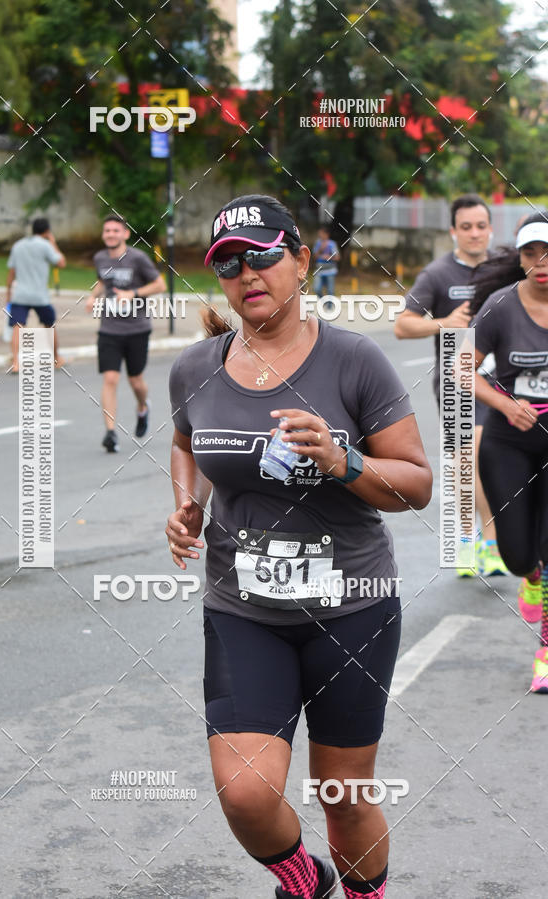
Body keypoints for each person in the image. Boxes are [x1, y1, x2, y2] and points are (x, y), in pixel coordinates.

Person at [167, 194, 433, 898]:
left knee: (343, 798)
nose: (246, 273)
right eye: (228, 263)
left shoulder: (353, 360)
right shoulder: (196, 367)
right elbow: (185, 442)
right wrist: (186, 505)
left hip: (351, 609)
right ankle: (305, 881)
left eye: (261, 255)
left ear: (301, 259)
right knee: (247, 795)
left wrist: (345, 460)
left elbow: (415, 484)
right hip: (243, 608)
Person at [394, 193, 508, 578]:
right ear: (453, 232)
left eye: (480, 226)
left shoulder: (507, 267)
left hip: (501, 379)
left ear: (490, 229)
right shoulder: (438, 274)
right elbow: (403, 325)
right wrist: (445, 322)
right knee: (468, 459)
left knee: (479, 462)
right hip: (456, 380)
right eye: (466, 227)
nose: (474, 234)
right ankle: (478, 543)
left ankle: (481, 542)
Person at [470, 211, 548, 693]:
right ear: (519, 259)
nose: (541, 262)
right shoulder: (500, 306)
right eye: (531, 253)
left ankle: (545, 652)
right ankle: (530, 573)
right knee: (519, 555)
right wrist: (504, 402)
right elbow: (462, 369)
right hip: (508, 440)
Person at [85, 215, 165, 452]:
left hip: (137, 329)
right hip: (109, 329)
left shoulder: (137, 258)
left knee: (135, 381)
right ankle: (110, 432)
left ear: (125, 234)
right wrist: (92, 296)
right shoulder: (100, 258)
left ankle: (143, 407)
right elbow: (103, 281)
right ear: (103, 234)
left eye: (115, 231)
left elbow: (160, 285)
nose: (111, 234)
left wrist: (133, 294)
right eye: (107, 230)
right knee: (110, 378)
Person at [6, 217, 66, 373]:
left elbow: (11, 272)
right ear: (47, 231)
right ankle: (56, 359)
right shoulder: (46, 245)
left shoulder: (18, 245)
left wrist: (8, 293)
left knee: (17, 327)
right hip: (40, 296)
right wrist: (53, 242)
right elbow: (61, 263)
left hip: (20, 294)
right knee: (49, 326)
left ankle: (15, 363)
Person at [312, 225, 340, 298]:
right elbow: (314, 257)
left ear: (326, 234)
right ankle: (323, 300)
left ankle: (330, 307)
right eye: (319, 234)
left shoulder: (332, 244)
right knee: (316, 288)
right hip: (319, 270)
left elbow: (337, 257)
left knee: (330, 291)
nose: (320, 235)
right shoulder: (317, 243)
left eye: (321, 234)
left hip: (330, 270)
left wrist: (328, 257)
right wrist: (321, 249)